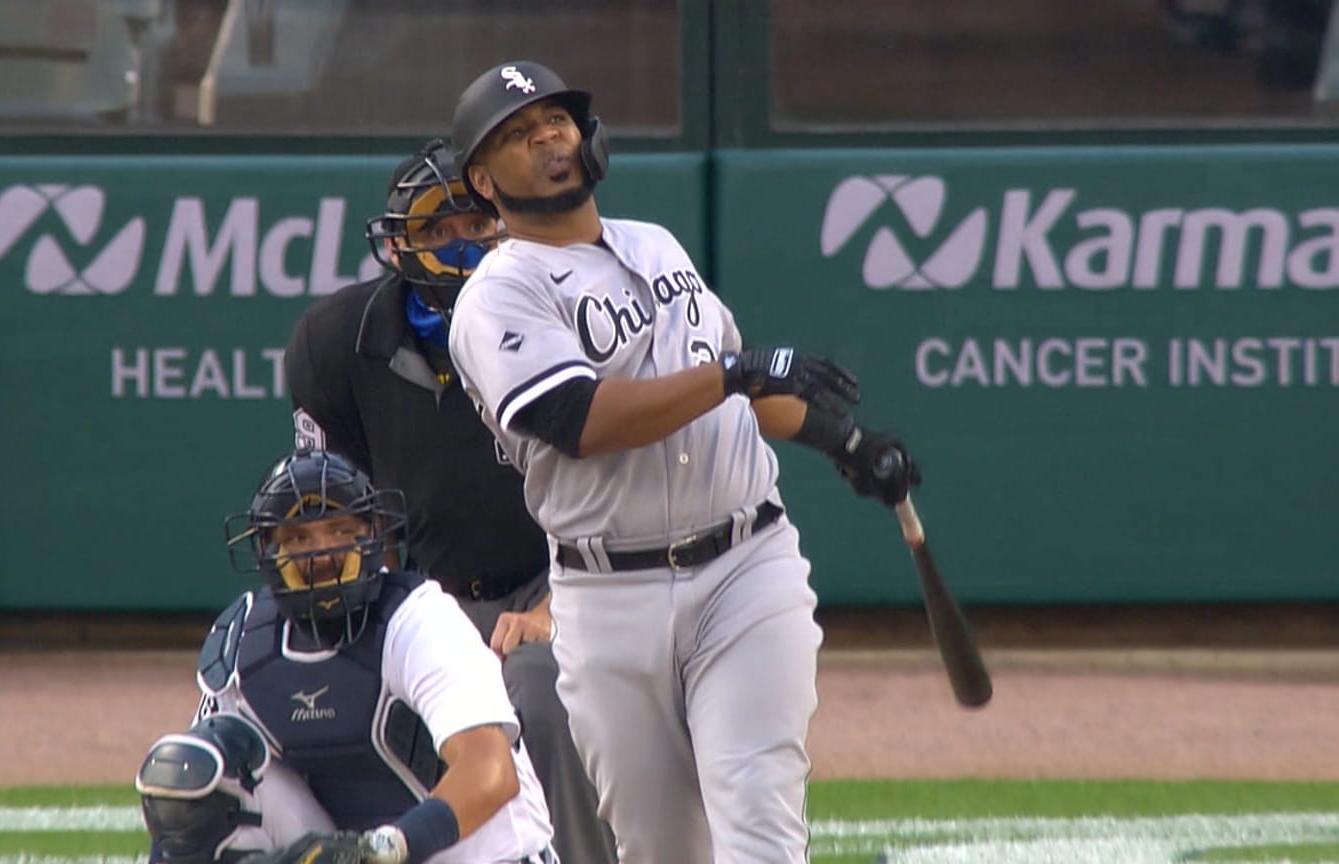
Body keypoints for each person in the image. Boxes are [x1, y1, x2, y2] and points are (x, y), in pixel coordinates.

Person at [444, 60, 922, 863]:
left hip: (745, 566)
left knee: (756, 813)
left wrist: (846, 442)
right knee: (662, 847)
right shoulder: (497, 295)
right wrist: (737, 374)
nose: (547, 138)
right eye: (519, 135)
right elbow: (579, 418)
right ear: (484, 182)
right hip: (606, 598)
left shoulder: (653, 244)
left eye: (555, 121)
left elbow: (731, 383)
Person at [282, 139, 618, 863]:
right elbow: (334, 513)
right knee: (316, 690)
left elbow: (623, 492)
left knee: (542, 686)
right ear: (399, 243)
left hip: (568, 580)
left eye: (473, 222)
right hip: (423, 592)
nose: (459, 245)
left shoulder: (566, 314)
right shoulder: (338, 342)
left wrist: (558, 605)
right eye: (437, 230)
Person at [134, 448, 555, 864]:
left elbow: (491, 770)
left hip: (479, 854)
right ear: (267, 551)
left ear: (371, 539)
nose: (323, 553)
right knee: (191, 773)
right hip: (344, 852)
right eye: (298, 537)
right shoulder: (245, 641)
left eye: (340, 531)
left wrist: (378, 851)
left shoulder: (419, 619)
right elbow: (188, 797)